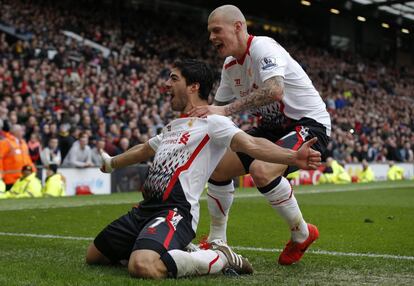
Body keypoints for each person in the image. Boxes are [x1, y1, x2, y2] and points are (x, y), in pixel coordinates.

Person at [86, 59, 322, 279]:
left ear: (193, 87)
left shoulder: (214, 122)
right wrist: (112, 163)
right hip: (144, 210)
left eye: (174, 78)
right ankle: (169, 248)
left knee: (142, 266)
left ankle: (221, 257)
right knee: (94, 256)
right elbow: (143, 150)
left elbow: (250, 144)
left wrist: (292, 156)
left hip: (174, 212)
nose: (167, 84)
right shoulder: (172, 127)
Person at [188, 5, 331, 265]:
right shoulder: (230, 66)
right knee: (218, 169)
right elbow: (216, 114)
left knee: (261, 170)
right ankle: (218, 240)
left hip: (308, 124)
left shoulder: (263, 48)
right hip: (271, 128)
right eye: (209, 32)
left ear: (238, 27)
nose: (211, 37)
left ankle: (301, 234)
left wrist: (226, 109)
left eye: (216, 30)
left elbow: (275, 90)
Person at [0, 124, 36, 190]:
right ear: (15, 132)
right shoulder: (5, 142)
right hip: (10, 180)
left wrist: (33, 171)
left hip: (23, 178)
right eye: (21, 131)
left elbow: (28, 160)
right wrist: (1, 175)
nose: (23, 133)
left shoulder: (23, 143)